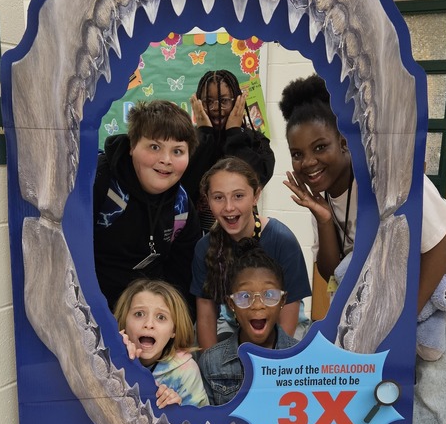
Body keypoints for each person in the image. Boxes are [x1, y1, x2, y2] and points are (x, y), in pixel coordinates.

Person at [280, 73, 446, 424]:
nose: (308, 162)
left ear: (346, 142)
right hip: (406, 283)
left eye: (319, 147)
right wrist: (322, 217)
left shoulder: (389, 177)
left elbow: (439, 248)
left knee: (438, 395)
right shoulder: (329, 196)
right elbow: (331, 271)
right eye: (298, 154)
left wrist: (402, 324)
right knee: (381, 379)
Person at [190, 157, 311, 350]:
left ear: (256, 196)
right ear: (208, 200)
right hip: (234, 324)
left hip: (282, 326)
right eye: (218, 197)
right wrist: (211, 367)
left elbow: (289, 311)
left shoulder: (282, 240)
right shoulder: (204, 248)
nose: (229, 207)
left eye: (238, 196)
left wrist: (274, 365)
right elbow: (206, 316)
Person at [94, 100, 201, 313]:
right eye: (155, 147)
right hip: (92, 312)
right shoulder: (99, 181)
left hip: (145, 321)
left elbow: (182, 282)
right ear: (132, 146)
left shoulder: (181, 207)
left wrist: (174, 334)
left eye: (178, 151)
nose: (166, 160)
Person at [199, 245, 298, 405]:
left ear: (283, 301)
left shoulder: (301, 359)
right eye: (245, 296)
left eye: (269, 295)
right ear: (231, 303)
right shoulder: (211, 361)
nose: (257, 305)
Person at [184, 69, 275, 229]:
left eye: (224, 100)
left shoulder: (255, 140)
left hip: (243, 236)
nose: (214, 108)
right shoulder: (188, 141)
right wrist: (204, 134)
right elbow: (186, 184)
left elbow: (256, 180)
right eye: (208, 101)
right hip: (195, 237)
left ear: (237, 101)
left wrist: (234, 135)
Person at [113, 278, 208, 408]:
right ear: (124, 321)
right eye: (139, 314)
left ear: (173, 330)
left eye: (161, 317)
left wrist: (177, 411)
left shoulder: (186, 371)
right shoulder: (109, 359)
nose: (149, 324)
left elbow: (197, 423)